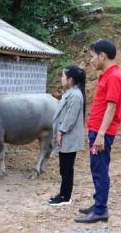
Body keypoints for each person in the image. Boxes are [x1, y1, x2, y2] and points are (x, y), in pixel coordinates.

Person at [75, 39, 121, 223]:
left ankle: (101, 210)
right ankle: (98, 203)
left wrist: (101, 134)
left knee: (100, 169)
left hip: (102, 134)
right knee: (96, 168)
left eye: (93, 56)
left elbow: (111, 107)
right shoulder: (106, 74)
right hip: (96, 132)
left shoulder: (114, 76)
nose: (91, 60)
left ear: (102, 55)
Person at [49, 66, 86, 206]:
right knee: (64, 167)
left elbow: (70, 118)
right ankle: (63, 193)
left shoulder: (75, 95)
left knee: (66, 168)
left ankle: (65, 197)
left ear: (70, 80)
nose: (61, 78)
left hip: (68, 137)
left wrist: (60, 132)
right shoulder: (70, 93)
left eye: (63, 76)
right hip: (65, 137)